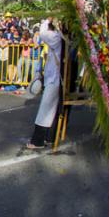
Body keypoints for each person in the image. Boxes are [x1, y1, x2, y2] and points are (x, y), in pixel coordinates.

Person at [27, 18, 63, 149]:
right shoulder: (59, 37)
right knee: (51, 109)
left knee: (46, 110)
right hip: (53, 77)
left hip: (54, 78)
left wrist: (47, 21)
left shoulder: (56, 37)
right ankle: (49, 138)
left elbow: (42, 33)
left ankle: (38, 141)